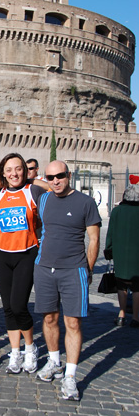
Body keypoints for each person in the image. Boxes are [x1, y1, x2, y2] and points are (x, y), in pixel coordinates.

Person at [34, 160, 101, 401]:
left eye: (60, 176)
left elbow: (94, 240)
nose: (55, 181)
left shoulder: (86, 202)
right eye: (50, 177)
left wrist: (89, 269)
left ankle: (70, 376)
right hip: (44, 268)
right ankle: (54, 361)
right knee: (49, 318)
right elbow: (21, 179)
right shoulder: (43, 199)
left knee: (72, 323)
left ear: (68, 175)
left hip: (74, 269)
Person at [0, 153, 47, 375]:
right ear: (3, 173)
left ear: (24, 171)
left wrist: (32, 179)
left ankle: (30, 347)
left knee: (19, 305)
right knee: (7, 307)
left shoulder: (32, 191)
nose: (13, 173)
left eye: (18, 169)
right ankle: (15, 352)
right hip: (2, 255)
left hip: (26, 254)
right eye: (9, 170)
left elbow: (54, 188)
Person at [104, 184, 139, 328]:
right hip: (136, 254)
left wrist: (108, 249)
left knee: (121, 285)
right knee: (137, 287)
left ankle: (121, 314)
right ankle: (136, 317)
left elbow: (110, 232)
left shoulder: (117, 211)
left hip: (119, 252)